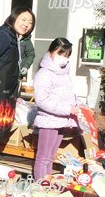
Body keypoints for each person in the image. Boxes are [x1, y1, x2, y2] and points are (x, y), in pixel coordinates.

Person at [0, 7, 36, 180]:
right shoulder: (3, 35)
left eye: (30, 22)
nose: (26, 25)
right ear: (14, 17)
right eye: (23, 19)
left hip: (5, 98)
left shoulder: (15, 39)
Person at [32, 38, 79, 181]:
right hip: (49, 120)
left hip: (61, 121)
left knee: (50, 157)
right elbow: (42, 100)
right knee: (43, 158)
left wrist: (78, 105)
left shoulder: (64, 73)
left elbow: (68, 95)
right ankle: (40, 186)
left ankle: (47, 183)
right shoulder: (44, 74)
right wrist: (68, 109)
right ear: (50, 52)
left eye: (67, 55)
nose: (64, 58)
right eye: (61, 53)